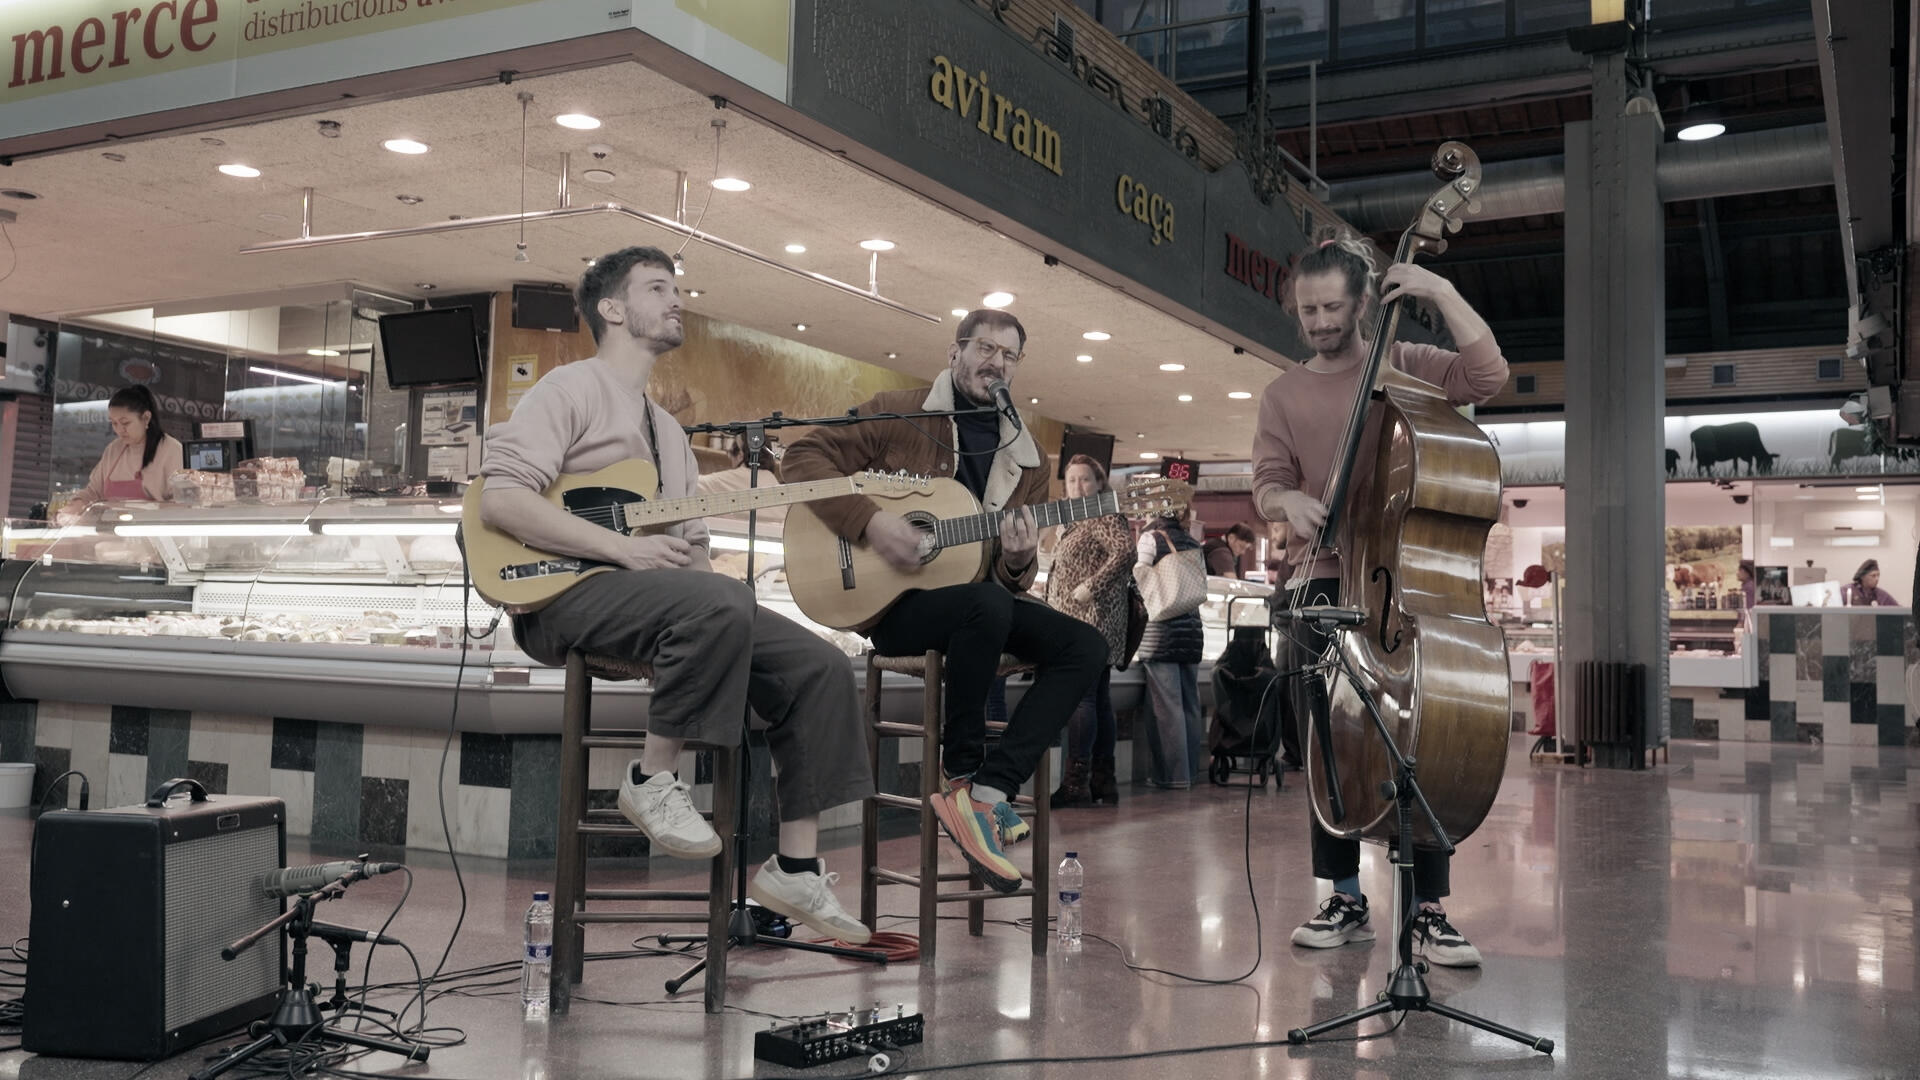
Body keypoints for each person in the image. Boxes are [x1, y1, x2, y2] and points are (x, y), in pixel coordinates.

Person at [479, 246, 874, 944]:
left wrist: (704, 577)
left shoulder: (668, 434)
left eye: (676, 288)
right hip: (559, 596)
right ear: (611, 308)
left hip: (657, 604)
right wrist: (625, 550)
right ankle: (651, 777)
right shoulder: (566, 390)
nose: (675, 300)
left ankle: (796, 866)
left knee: (822, 666)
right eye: (656, 288)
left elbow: (688, 555)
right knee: (715, 604)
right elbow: (502, 504)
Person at [780, 310, 1107, 894]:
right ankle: (959, 774)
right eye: (985, 348)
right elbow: (801, 458)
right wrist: (871, 523)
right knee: (988, 606)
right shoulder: (900, 412)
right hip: (896, 608)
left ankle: (988, 792)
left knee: (1085, 644)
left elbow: (1011, 583)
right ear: (955, 352)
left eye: (1010, 356)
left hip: (981, 610)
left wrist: (1016, 558)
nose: (996, 364)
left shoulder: (1026, 457)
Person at [1251, 228, 1509, 968]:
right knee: (1326, 747)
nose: (1321, 322)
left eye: (1333, 307)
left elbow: (1488, 379)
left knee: (1417, 743)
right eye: (1308, 311)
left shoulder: (1410, 366)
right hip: (1320, 581)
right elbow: (1267, 479)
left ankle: (1428, 911)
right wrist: (1287, 501)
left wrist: (1440, 292)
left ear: (1363, 301)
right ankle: (1342, 895)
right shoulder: (1283, 393)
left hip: (1403, 586)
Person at [1041, 454, 1135, 807]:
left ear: (1099, 483)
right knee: (1098, 699)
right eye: (1071, 480)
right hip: (1079, 622)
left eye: (1084, 479)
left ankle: (1076, 784)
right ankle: (1102, 780)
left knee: (1082, 698)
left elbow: (1126, 552)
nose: (1077, 486)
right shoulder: (1075, 519)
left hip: (1091, 622)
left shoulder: (1101, 512)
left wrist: (1089, 587)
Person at [1136, 509, 1206, 788]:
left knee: (1167, 708)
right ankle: (1190, 773)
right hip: (1192, 633)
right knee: (1190, 705)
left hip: (1162, 632)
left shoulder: (1150, 538)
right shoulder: (1191, 541)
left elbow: (1139, 576)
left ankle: (1173, 777)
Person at [61, 385, 183, 519]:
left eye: (125, 423)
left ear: (146, 418)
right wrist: (74, 507)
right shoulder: (113, 449)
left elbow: (183, 504)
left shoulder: (171, 450)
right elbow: (93, 492)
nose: (119, 430)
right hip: (110, 532)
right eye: (114, 423)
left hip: (153, 535)